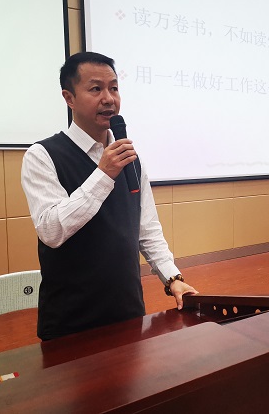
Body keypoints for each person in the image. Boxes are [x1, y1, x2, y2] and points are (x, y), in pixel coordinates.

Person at [21, 51, 197, 341]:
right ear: (69, 98)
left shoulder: (130, 158)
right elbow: (51, 231)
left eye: (114, 88)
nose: (109, 98)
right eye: (95, 89)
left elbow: (146, 230)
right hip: (70, 321)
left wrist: (173, 278)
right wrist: (103, 175)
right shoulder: (42, 156)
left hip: (127, 311)